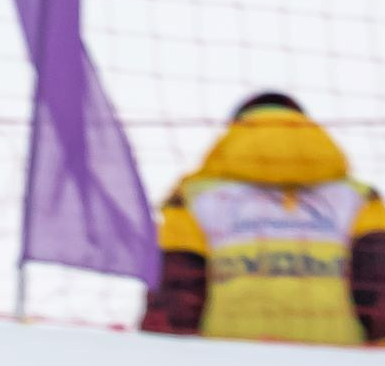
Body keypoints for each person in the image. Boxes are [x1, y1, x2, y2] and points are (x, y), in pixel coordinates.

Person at [140, 93, 385, 347]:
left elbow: (177, 285)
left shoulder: (194, 197)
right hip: (339, 360)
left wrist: (162, 355)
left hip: (225, 359)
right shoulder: (358, 197)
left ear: (236, 129)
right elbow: (377, 279)